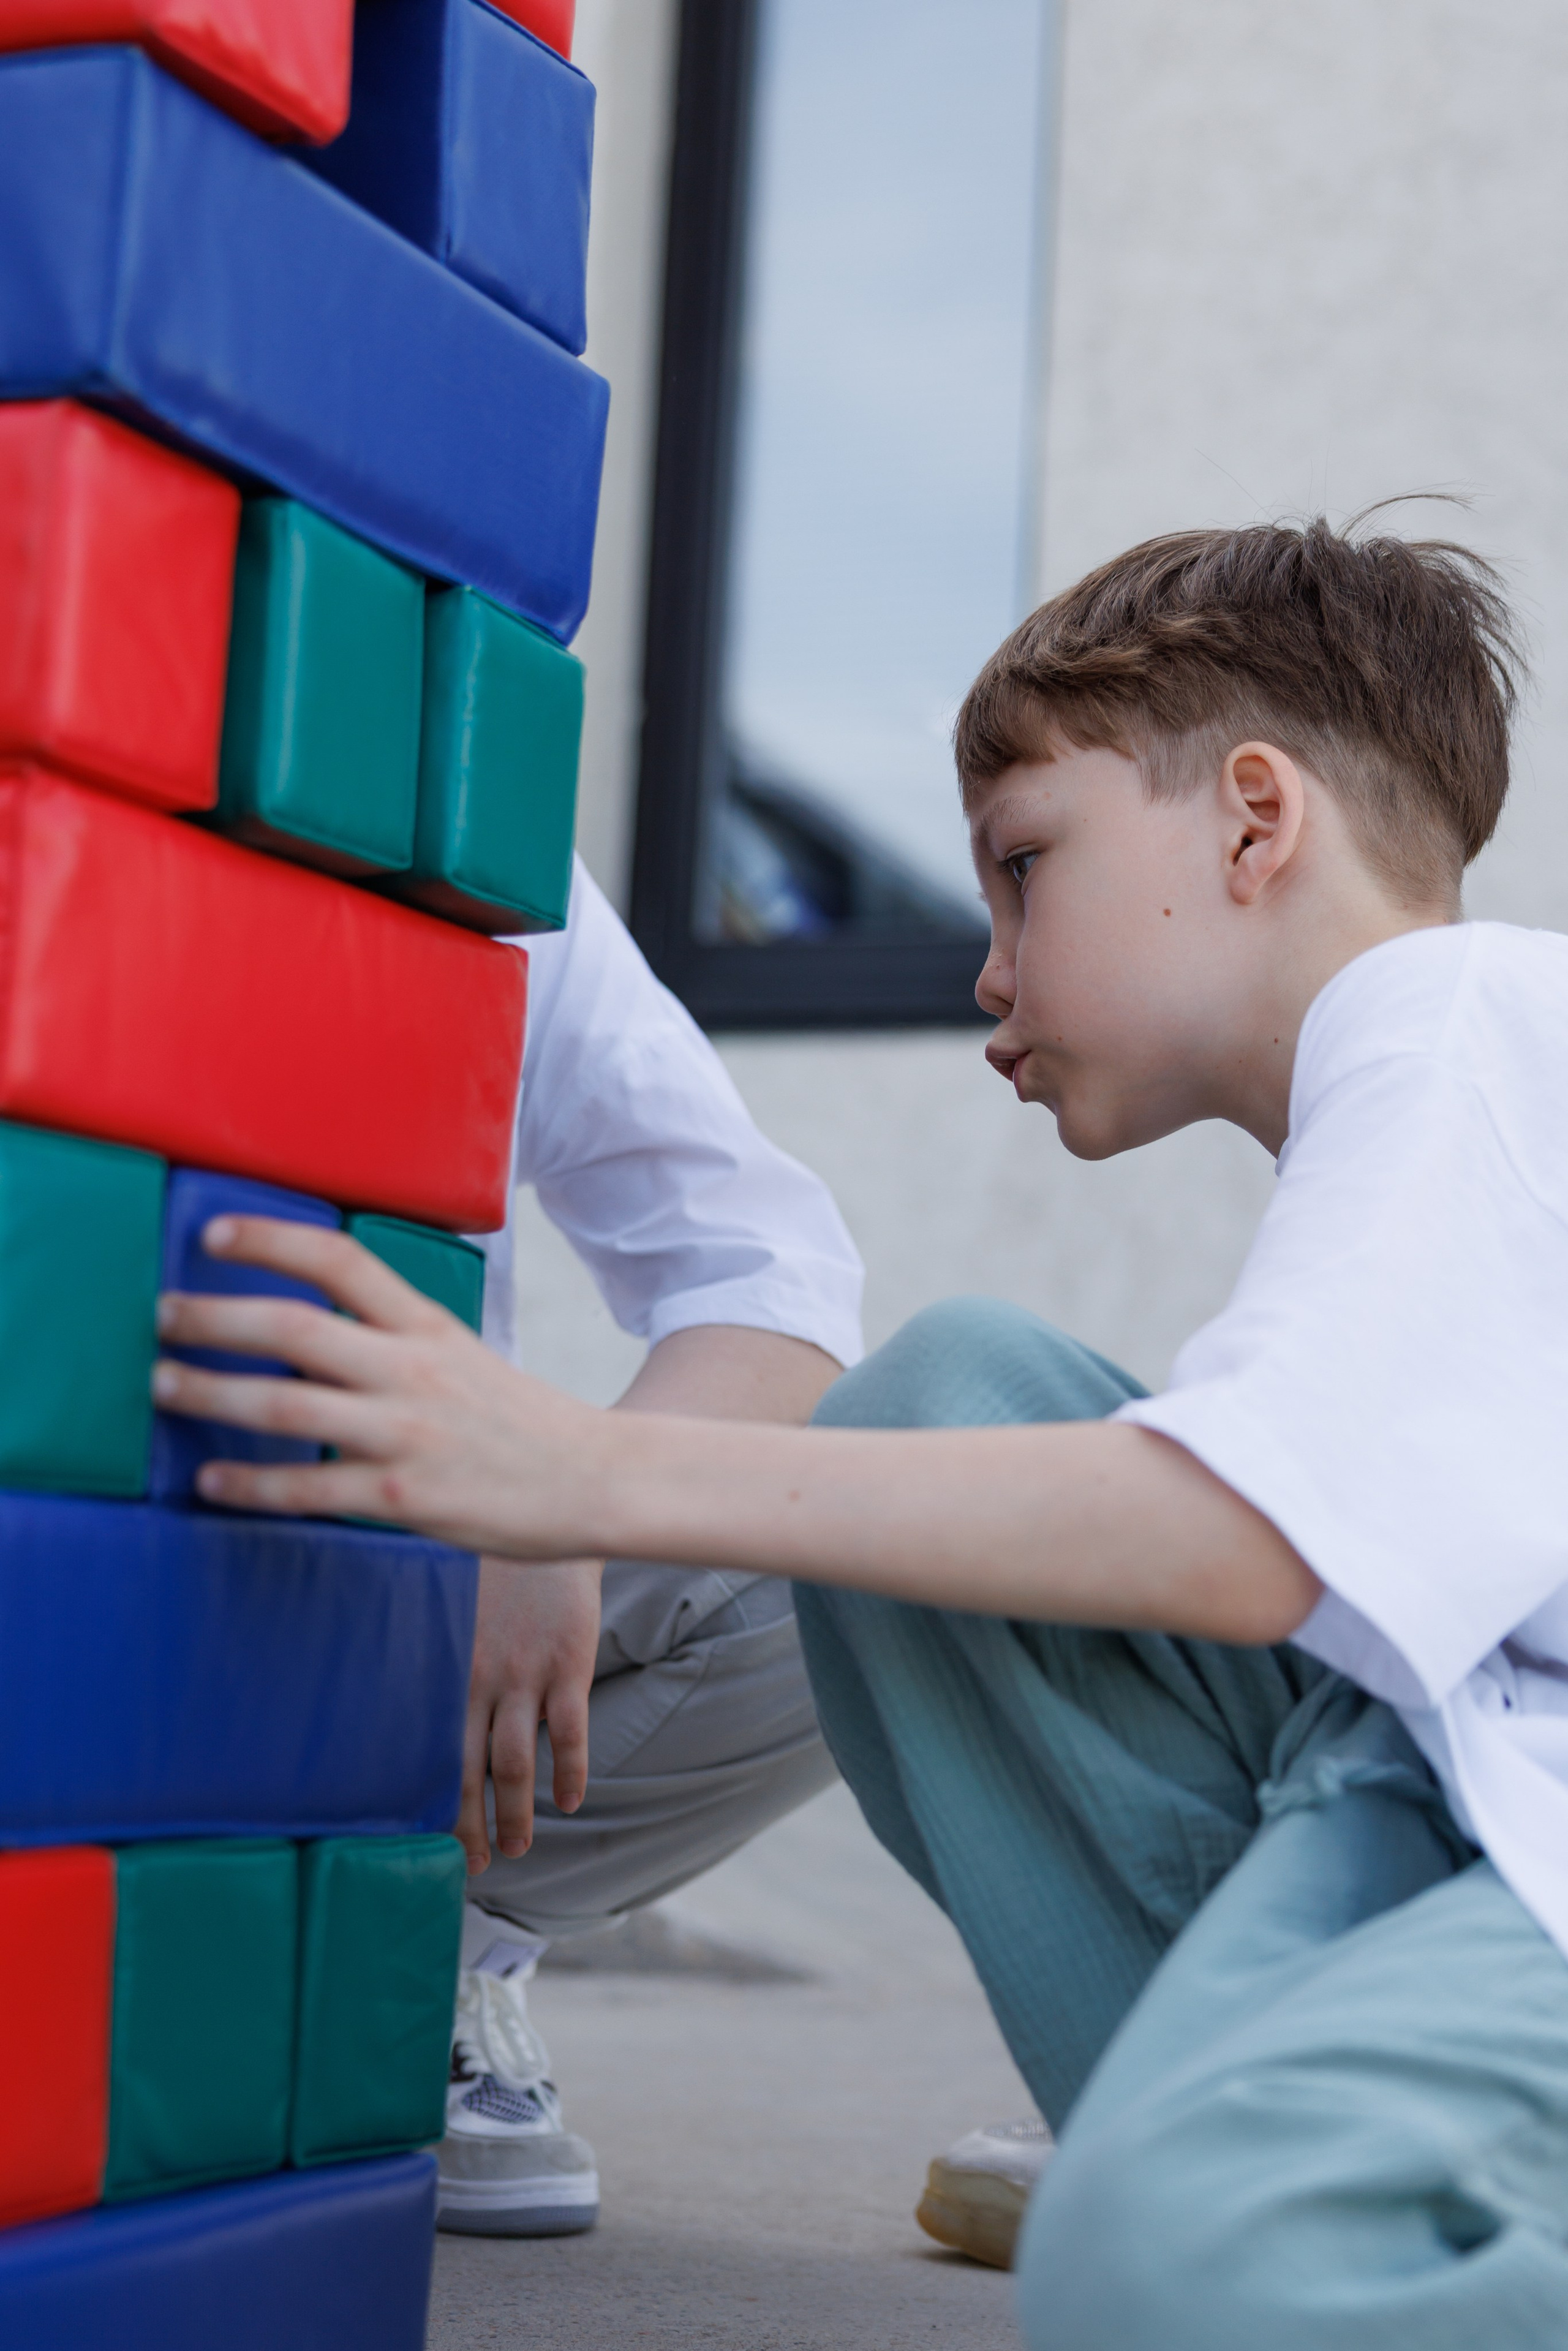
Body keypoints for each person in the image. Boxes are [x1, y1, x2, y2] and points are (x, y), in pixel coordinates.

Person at [152, 514, 1568, 2350]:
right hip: (1437, 1767)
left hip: (1504, 1819)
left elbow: (1242, 1537)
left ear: (1252, 819)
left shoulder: (1458, 1015)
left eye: (1022, 870)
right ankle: (1225, 2131)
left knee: (1169, 2261)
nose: (990, 970)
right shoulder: (1421, 1088)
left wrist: (570, 1472)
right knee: (947, 1387)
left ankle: (1254, 2200)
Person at [409, 861, 860, 2236]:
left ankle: (422, 1950)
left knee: (857, 1537)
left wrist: (561, 1490)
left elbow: (769, 1275)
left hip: (398, 1556)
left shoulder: (498, 841)